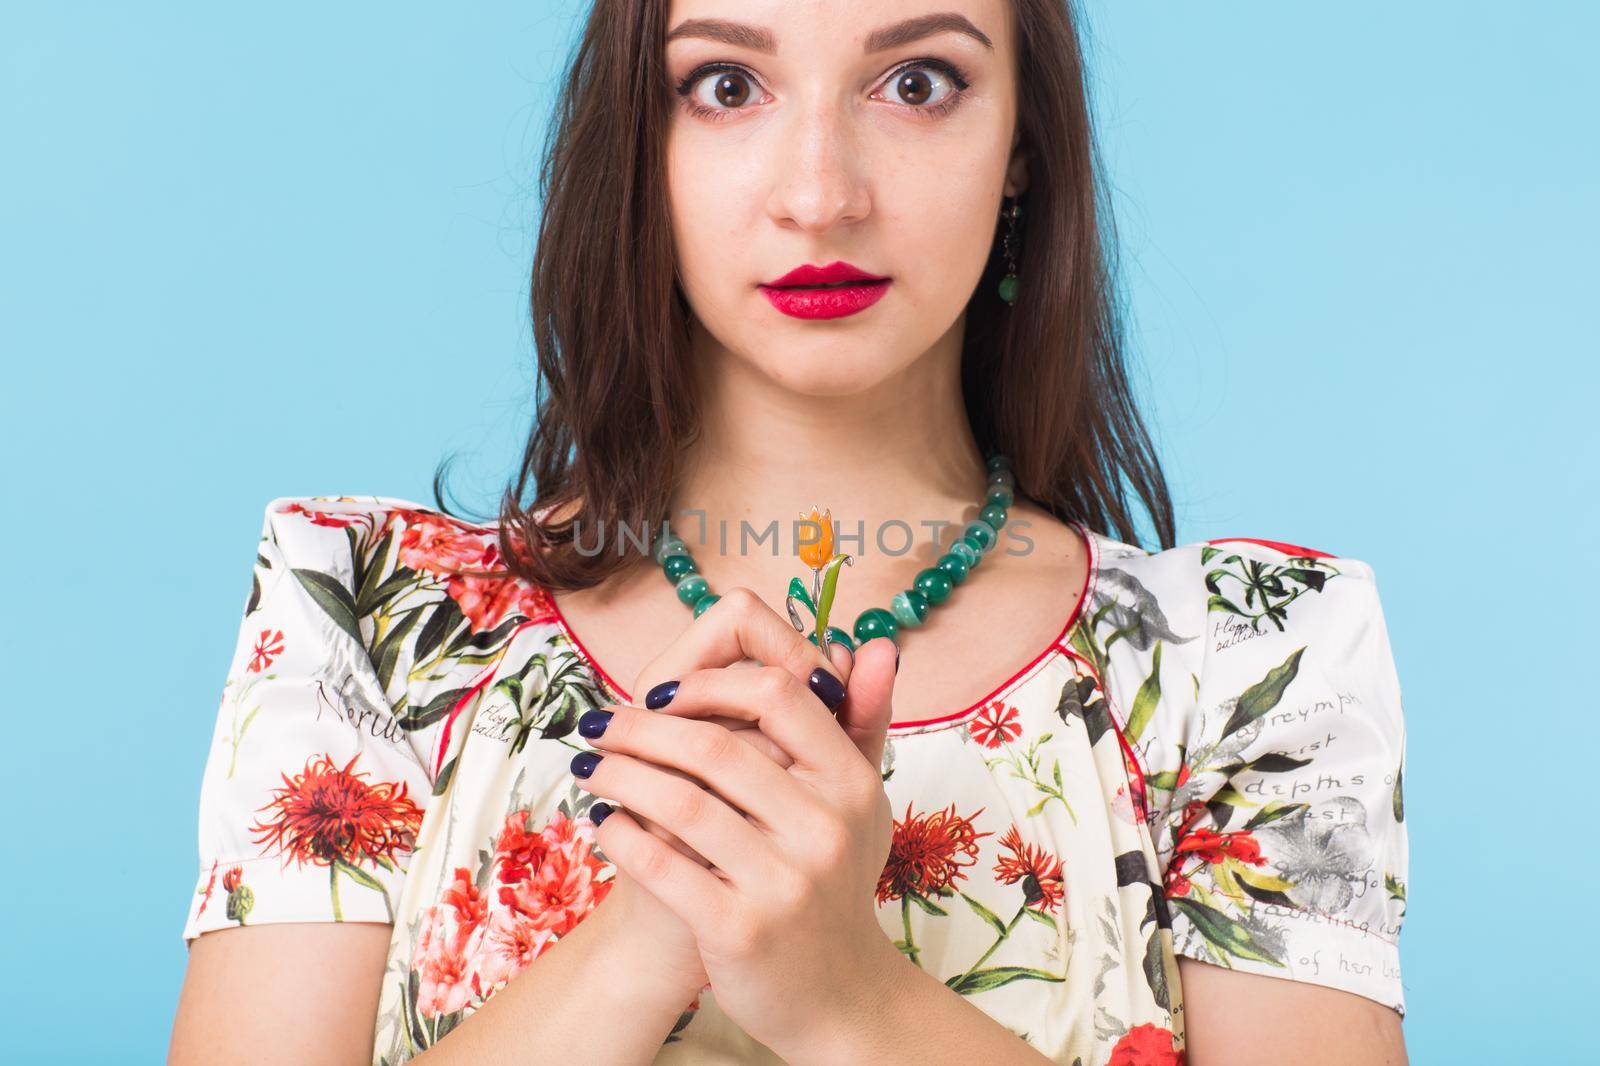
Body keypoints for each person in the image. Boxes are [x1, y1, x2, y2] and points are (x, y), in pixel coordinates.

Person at [169, 2, 1410, 1063]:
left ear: (1021, 146)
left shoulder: (1250, 665)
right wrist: (649, 939)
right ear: (636, 141)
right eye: (725, 85)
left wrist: (847, 997)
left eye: (917, 84)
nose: (820, 194)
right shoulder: (368, 617)